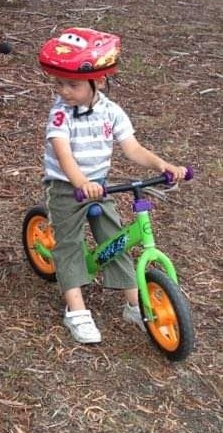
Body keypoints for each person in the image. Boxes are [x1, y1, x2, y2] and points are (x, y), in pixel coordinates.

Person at [38, 28, 187, 344]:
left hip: (100, 187)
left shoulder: (111, 112)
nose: (64, 91)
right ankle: (75, 308)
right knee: (68, 243)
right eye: (60, 83)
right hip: (67, 187)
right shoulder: (61, 114)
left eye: (73, 84)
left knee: (116, 238)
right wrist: (80, 182)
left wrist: (163, 165)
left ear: (99, 81)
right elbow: (63, 154)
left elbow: (132, 148)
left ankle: (135, 303)